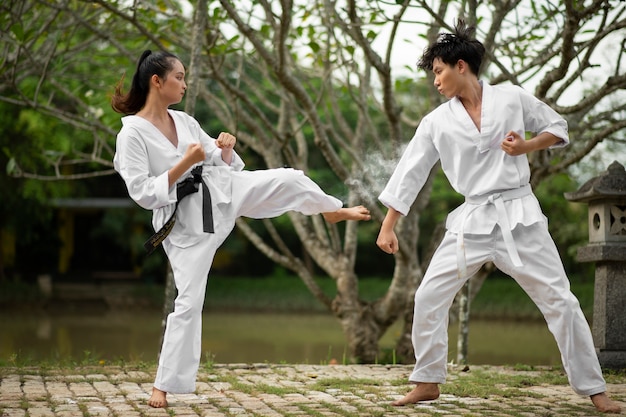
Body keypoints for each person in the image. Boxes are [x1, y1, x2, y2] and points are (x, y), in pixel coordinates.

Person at [375, 21, 621, 414]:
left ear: (460, 66)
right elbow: (410, 173)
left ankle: (595, 390)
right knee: (428, 296)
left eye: (438, 71)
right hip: (470, 220)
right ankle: (426, 381)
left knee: (561, 301)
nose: (435, 81)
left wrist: (526, 145)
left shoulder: (510, 98)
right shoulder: (436, 122)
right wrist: (388, 225)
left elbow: (558, 128)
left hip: (519, 215)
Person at [111, 50, 371, 408]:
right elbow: (142, 192)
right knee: (188, 303)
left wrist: (225, 147)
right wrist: (185, 163)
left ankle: (330, 210)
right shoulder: (131, 135)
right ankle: (163, 385)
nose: (185, 85)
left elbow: (216, 159)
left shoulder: (184, 121)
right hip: (186, 225)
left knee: (289, 177)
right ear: (157, 81)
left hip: (222, 191)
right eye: (179, 78)